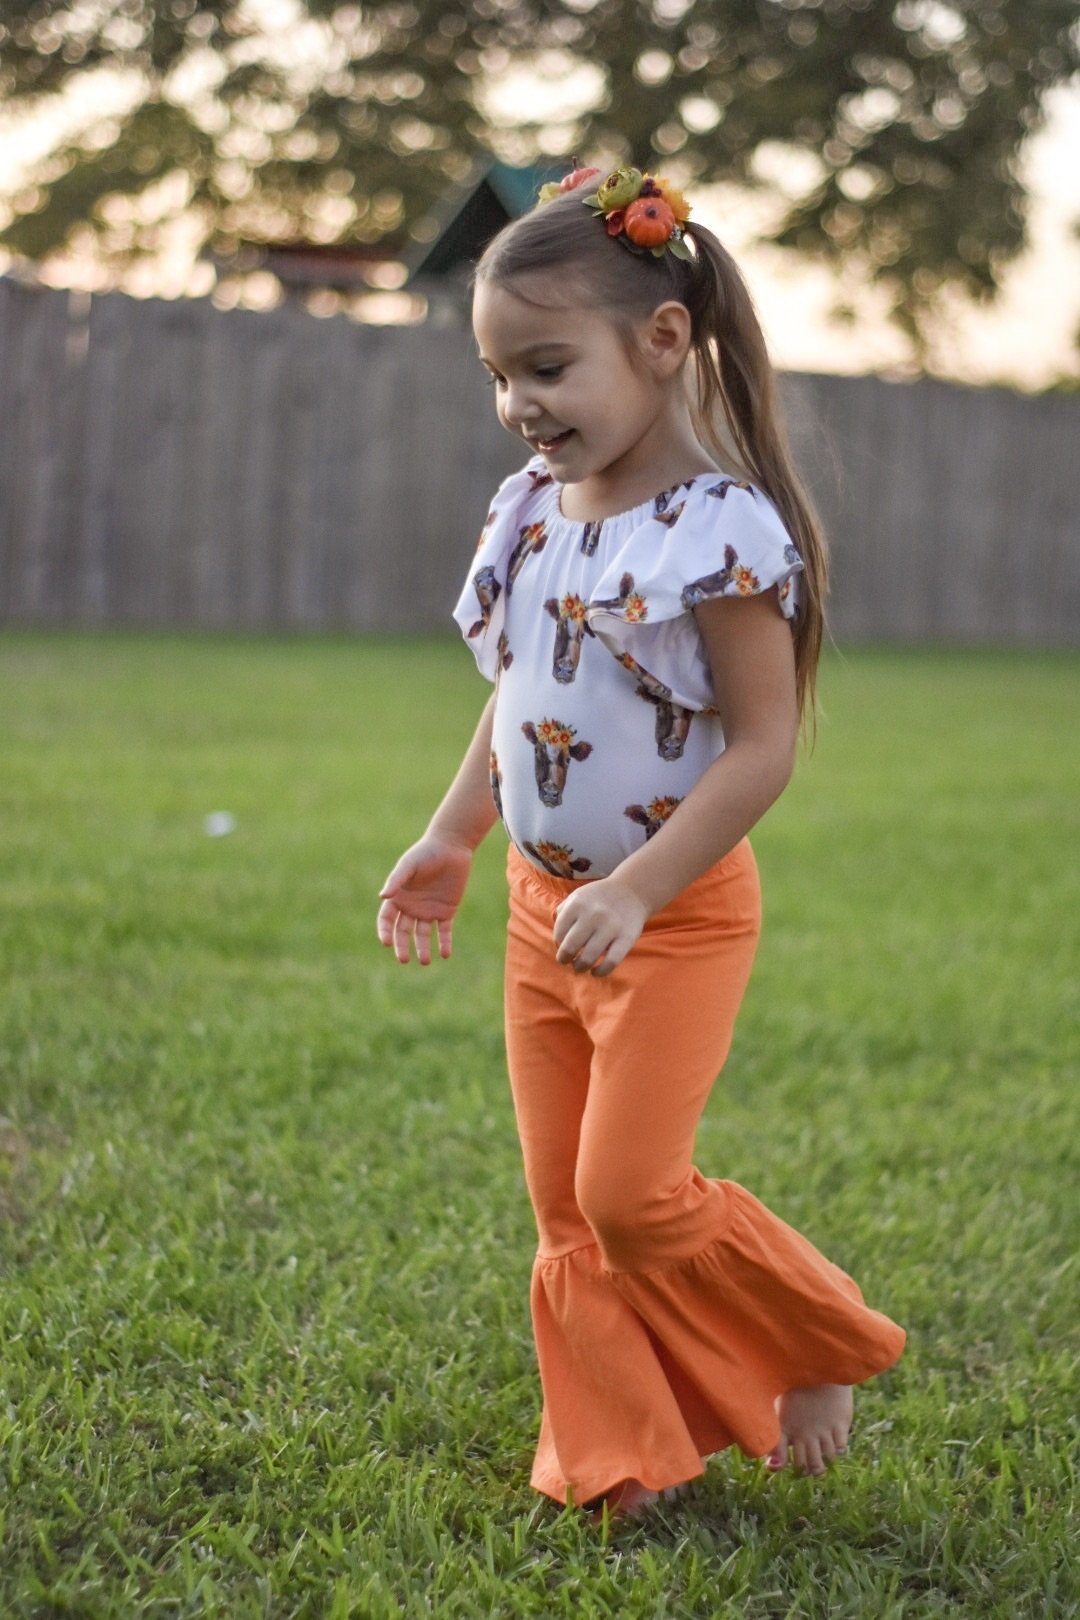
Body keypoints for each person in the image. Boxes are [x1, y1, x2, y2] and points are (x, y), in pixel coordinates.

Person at [377, 164, 905, 1523]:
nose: (520, 406)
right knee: (565, 1213)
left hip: (670, 920)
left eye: (546, 367)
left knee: (632, 1198)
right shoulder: (540, 511)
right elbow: (524, 694)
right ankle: (618, 1460)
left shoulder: (721, 534)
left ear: (663, 342)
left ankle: (820, 1337)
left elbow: (762, 748)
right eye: (500, 377)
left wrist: (639, 885)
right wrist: (450, 834)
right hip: (534, 913)